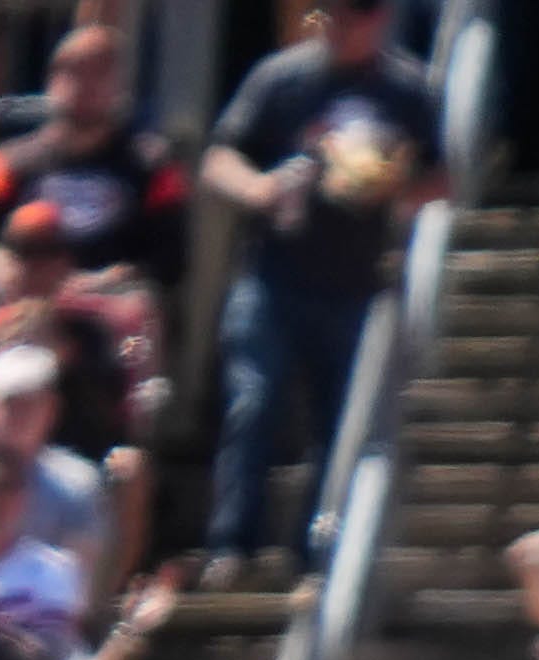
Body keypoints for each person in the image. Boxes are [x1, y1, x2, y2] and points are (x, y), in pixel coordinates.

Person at [195, 0, 438, 584]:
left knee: (339, 423)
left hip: (354, 284)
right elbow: (218, 157)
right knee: (254, 402)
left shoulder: (406, 89)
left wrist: (386, 185)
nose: (340, 25)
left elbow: (440, 177)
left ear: (379, 19)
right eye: (331, 13)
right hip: (274, 277)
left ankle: (317, 553)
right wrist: (259, 189)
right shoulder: (281, 78)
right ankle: (232, 545)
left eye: (355, 14)